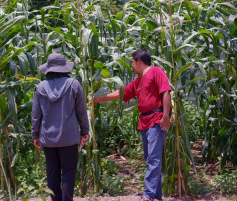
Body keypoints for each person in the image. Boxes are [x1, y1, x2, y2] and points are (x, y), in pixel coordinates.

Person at [93, 49, 171, 201]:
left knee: (153, 159)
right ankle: (156, 194)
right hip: (145, 121)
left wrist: (166, 116)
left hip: (156, 118)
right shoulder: (138, 81)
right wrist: (98, 99)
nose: (132, 66)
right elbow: (120, 93)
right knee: (150, 158)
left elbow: (166, 92)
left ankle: (148, 195)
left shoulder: (156, 71)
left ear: (139, 61)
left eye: (132, 62)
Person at [31, 53, 89, 201]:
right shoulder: (74, 84)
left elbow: (36, 116)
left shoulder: (40, 88)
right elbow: (81, 111)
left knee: (52, 173)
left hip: (48, 138)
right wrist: (85, 131)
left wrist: (35, 135)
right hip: (69, 138)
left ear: (49, 69)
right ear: (64, 68)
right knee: (69, 172)